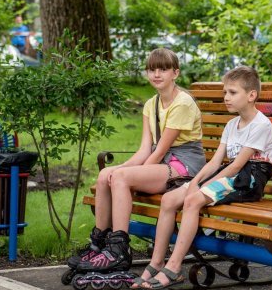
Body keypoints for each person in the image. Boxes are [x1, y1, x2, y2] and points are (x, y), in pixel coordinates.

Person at [135, 66, 272, 290]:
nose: (226, 98)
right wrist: (194, 182)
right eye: (225, 93)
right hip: (230, 174)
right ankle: (156, 263)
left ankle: (173, 267)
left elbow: (238, 166)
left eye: (232, 93)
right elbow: (214, 162)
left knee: (192, 200)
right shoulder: (232, 125)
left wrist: (201, 187)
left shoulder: (261, 125)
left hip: (249, 179)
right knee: (169, 200)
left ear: (251, 96)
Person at [68, 48, 205, 274]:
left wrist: (126, 175)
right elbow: (145, 149)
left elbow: (160, 150)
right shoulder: (151, 104)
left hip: (184, 165)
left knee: (121, 178)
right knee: (106, 175)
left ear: (176, 73)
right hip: (160, 162)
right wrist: (120, 168)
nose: (157, 74)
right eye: (152, 69)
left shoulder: (183, 103)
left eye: (163, 69)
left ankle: (118, 250)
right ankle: (99, 243)